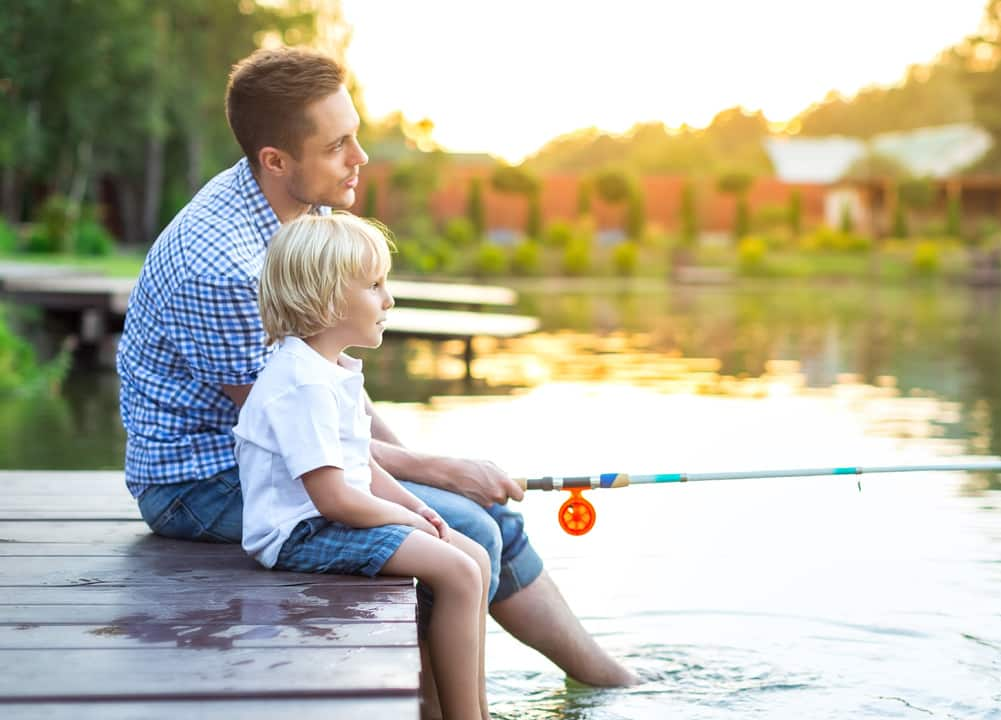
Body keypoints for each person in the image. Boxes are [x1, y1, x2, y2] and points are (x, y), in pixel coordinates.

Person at [116, 45, 636, 689]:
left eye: (355, 136)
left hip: (289, 452)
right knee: (464, 525)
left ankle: (603, 682)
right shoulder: (224, 268)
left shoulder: (306, 205)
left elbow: (332, 392)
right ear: (276, 160)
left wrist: (424, 467)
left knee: (486, 516)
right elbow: (294, 428)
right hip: (201, 482)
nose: (359, 158)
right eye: (339, 145)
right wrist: (435, 474)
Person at [236, 213, 490, 719]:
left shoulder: (330, 369)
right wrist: (408, 520)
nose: (389, 299)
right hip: (298, 533)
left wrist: (418, 506)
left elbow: (362, 465)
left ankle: (465, 709)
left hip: (330, 517)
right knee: (458, 572)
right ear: (327, 299)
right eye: (375, 285)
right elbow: (334, 497)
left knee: (474, 558)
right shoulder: (302, 383)